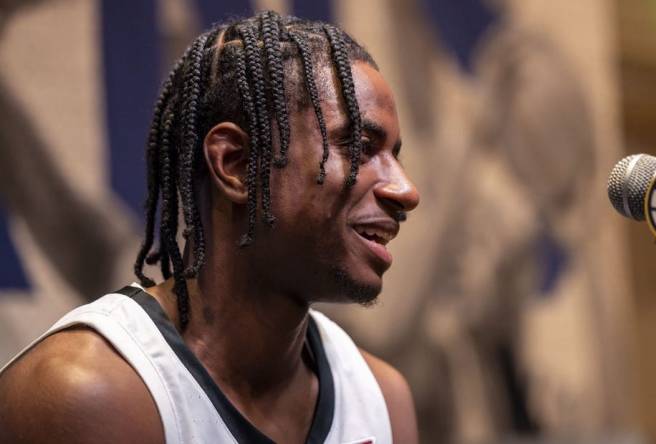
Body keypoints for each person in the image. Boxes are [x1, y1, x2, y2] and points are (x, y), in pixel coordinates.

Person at [0, 10, 419, 444]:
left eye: (395, 156)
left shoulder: (382, 401)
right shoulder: (87, 394)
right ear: (235, 164)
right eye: (361, 148)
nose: (406, 190)